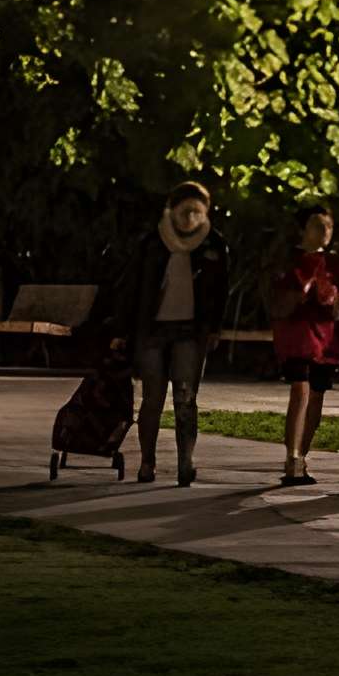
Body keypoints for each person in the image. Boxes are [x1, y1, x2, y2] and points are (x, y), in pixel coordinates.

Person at [113, 182, 229, 485]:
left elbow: (220, 292)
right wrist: (122, 330)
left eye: (197, 210)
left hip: (191, 332)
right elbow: (133, 287)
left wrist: (214, 327)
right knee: (152, 399)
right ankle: (147, 462)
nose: (190, 217)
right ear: (172, 210)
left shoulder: (212, 244)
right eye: (185, 210)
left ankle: (185, 462)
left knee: (186, 398)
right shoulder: (153, 242)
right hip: (152, 331)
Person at [266, 202, 339, 486]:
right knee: (301, 390)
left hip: (327, 339)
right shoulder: (289, 262)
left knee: (316, 396)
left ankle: (301, 456)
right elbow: (276, 297)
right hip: (298, 337)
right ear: (303, 230)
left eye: (328, 226)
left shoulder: (336, 264)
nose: (325, 232)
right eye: (318, 226)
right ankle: (292, 458)